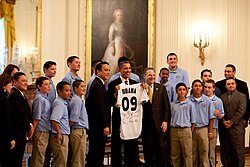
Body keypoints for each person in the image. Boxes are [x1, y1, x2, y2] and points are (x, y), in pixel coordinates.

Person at [108, 60, 140, 167]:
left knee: (131, 146)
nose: (128, 70)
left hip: (131, 120)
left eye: (130, 68)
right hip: (118, 119)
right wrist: (115, 93)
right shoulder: (113, 83)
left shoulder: (135, 84)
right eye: (125, 68)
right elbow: (109, 102)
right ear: (120, 70)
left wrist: (143, 88)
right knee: (117, 146)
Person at [142, 67, 170, 167]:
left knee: (161, 150)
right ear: (144, 76)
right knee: (148, 151)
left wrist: (165, 121)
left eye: (153, 75)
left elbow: (166, 106)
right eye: (149, 75)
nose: (152, 77)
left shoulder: (161, 88)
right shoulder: (139, 88)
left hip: (159, 125)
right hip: (146, 126)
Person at [85, 61, 111, 167]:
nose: (108, 72)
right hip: (98, 126)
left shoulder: (99, 84)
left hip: (97, 125)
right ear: (98, 71)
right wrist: (105, 125)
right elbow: (100, 108)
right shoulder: (97, 86)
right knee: (97, 151)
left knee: (97, 151)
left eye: (109, 70)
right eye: (105, 70)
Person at [219, 77, 246, 167]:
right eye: (228, 84)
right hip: (224, 128)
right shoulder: (222, 97)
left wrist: (231, 122)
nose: (230, 85)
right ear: (225, 86)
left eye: (232, 84)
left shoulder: (242, 96)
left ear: (236, 85)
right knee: (225, 151)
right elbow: (220, 110)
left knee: (238, 152)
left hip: (237, 127)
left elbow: (241, 111)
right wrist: (223, 121)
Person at [188, 79, 215, 167]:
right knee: (192, 152)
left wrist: (210, 131)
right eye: (195, 86)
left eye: (200, 86)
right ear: (192, 87)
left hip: (203, 129)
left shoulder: (207, 101)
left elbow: (211, 117)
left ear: (202, 88)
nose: (198, 88)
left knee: (204, 151)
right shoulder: (188, 100)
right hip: (191, 129)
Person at [8, 72, 33, 167]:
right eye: (23, 81)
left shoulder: (20, 94)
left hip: (21, 132)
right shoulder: (14, 95)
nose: (26, 83)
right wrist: (28, 127)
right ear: (15, 82)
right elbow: (20, 115)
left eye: (26, 81)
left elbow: (26, 112)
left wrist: (29, 125)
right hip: (16, 133)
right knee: (15, 160)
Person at [170, 82, 196, 167]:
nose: (182, 91)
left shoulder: (190, 104)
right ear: (176, 91)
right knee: (175, 154)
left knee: (187, 154)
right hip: (174, 130)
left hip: (186, 130)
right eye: (179, 90)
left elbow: (193, 122)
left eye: (183, 90)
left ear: (186, 91)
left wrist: (189, 132)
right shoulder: (172, 104)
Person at [30, 77, 51, 167]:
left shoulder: (45, 98)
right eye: (45, 84)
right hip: (40, 131)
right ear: (39, 86)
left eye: (49, 84)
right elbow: (36, 117)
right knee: (38, 158)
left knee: (41, 157)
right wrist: (32, 132)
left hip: (45, 130)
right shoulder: (39, 99)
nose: (48, 86)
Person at [102, 9, 130, 76]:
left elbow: (123, 36)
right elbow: (110, 37)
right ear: (115, 16)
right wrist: (113, 46)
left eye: (120, 15)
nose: (119, 16)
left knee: (122, 59)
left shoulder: (122, 25)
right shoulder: (113, 25)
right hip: (115, 44)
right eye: (118, 15)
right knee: (115, 60)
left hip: (121, 43)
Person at [203, 79, 224, 167]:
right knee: (203, 151)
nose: (207, 89)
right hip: (202, 127)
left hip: (213, 128)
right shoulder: (201, 99)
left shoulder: (218, 101)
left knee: (211, 151)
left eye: (209, 87)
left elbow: (222, 116)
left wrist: (218, 114)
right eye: (205, 87)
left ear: (214, 89)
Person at [50, 81, 71, 167]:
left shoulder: (63, 102)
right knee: (60, 161)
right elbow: (54, 119)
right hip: (60, 135)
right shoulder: (59, 103)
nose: (69, 93)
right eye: (66, 91)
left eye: (69, 90)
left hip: (63, 134)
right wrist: (58, 132)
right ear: (59, 91)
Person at [68, 80, 89, 167]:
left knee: (81, 156)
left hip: (81, 130)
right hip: (78, 130)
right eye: (82, 87)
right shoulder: (76, 100)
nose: (84, 88)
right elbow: (73, 118)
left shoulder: (79, 100)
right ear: (75, 89)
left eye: (85, 86)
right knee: (78, 158)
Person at [42, 61, 57, 167]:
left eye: (55, 69)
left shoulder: (52, 83)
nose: (54, 71)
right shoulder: (44, 83)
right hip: (45, 119)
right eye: (52, 69)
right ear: (45, 70)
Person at [0, 74, 15, 167]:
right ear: (4, 86)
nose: (12, 87)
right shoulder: (4, 100)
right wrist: (10, 138)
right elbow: (6, 121)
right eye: (10, 84)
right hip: (3, 137)